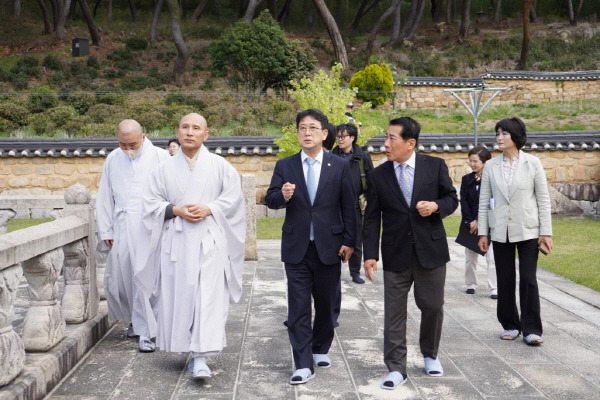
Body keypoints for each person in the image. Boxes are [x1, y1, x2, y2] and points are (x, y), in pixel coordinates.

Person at [135, 113, 245, 378]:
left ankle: (202, 356)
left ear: (206, 135)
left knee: (208, 296)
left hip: (209, 239)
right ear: (178, 131)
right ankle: (186, 345)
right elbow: (149, 204)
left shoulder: (220, 166)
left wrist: (210, 207)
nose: (189, 132)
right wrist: (174, 209)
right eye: (184, 127)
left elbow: (233, 200)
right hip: (178, 240)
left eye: (196, 128)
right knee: (182, 295)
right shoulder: (162, 170)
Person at [362, 117, 458, 390]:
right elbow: (371, 219)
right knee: (394, 312)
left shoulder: (434, 166)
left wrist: (436, 206)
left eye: (392, 138)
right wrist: (370, 255)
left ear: (410, 143)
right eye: (386, 137)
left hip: (431, 251)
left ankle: (430, 354)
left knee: (432, 307)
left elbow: (452, 198)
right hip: (395, 253)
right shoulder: (378, 175)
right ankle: (396, 368)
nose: (386, 143)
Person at [265, 108, 357, 385]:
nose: (307, 132)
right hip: (297, 247)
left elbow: (349, 205)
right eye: (302, 128)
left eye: (313, 128)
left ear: (324, 134)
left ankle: (319, 347)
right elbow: (270, 198)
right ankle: (302, 362)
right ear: (297, 133)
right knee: (298, 307)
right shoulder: (285, 165)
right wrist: (281, 195)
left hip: (330, 245)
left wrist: (350, 241)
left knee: (328, 307)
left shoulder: (338, 165)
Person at [96, 119, 170, 353]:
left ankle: (148, 331)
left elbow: (171, 194)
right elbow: (105, 195)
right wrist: (106, 228)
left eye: (132, 144)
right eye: (123, 144)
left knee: (147, 277)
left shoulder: (161, 157)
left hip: (152, 224)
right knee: (123, 278)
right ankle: (135, 321)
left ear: (144, 136)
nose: (128, 149)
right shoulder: (112, 159)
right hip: (123, 224)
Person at [478, 117, 553, 346]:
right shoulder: (491, 166)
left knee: (528, 279)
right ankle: (510, 324)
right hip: (500, 231)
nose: (499, 138)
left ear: (516, 136)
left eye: (504, 134)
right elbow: (484, 201)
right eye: (497, 134)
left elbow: (543, 199)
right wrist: (483, 232)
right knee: (505, 279)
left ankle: (531, 328)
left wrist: (546, 232)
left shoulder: (533, 163)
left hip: (529, 230)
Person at [332, 123, 373, 284]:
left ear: (352, 138)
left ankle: (355, 272)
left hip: (356, 203)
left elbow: (371, 179)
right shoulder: (332, 155)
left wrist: (368, 197)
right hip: (335, 203)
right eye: (338, 136)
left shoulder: (362, 156)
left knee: (356, 238)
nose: (340, 140)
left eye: (343, 136)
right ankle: (333, 269)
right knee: (334, 237)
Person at [458, 146, 497, 299]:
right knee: (470, 257)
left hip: (489, 223)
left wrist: (481, 221)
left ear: (485, 162)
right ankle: (470, 284)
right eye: (470, 161)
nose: (472, 164)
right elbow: (464, 202)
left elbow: (492, 203)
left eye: (475, 161)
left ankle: (494, 288)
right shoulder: (466, 180)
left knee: (492, 257)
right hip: (470, 224)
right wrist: (470, 221)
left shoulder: (494, 180)